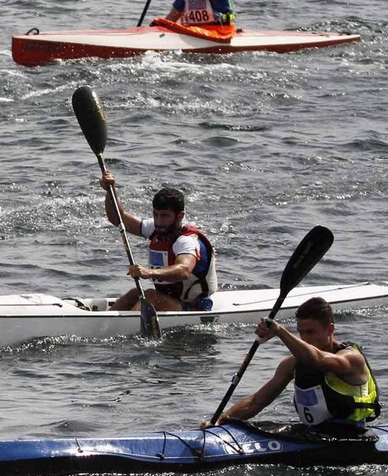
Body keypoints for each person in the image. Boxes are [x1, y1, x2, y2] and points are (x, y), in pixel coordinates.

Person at [209, 297, 379, 433]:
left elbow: (318, 360)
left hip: (352, 435)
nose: (305, 338)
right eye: (301, 332)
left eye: (311, 332)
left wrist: (280, 331)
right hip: (313, 434)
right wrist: (221, 420)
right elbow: (256, 402)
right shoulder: (291, 364)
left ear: (330, 329)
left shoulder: (351, 359)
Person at [98, 172, 218, 312]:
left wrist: (149, 272)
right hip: (169, 300)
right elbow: (118, 219)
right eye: (155, 214)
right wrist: (110, 190)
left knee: (150, 296)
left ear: (180, 216)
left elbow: (183, 270)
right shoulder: (157, 228)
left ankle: (126, 324)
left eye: (165, 216)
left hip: (193, 307)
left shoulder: (186, 241)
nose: (159, 221)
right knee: (135, 293)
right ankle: (106, 320)